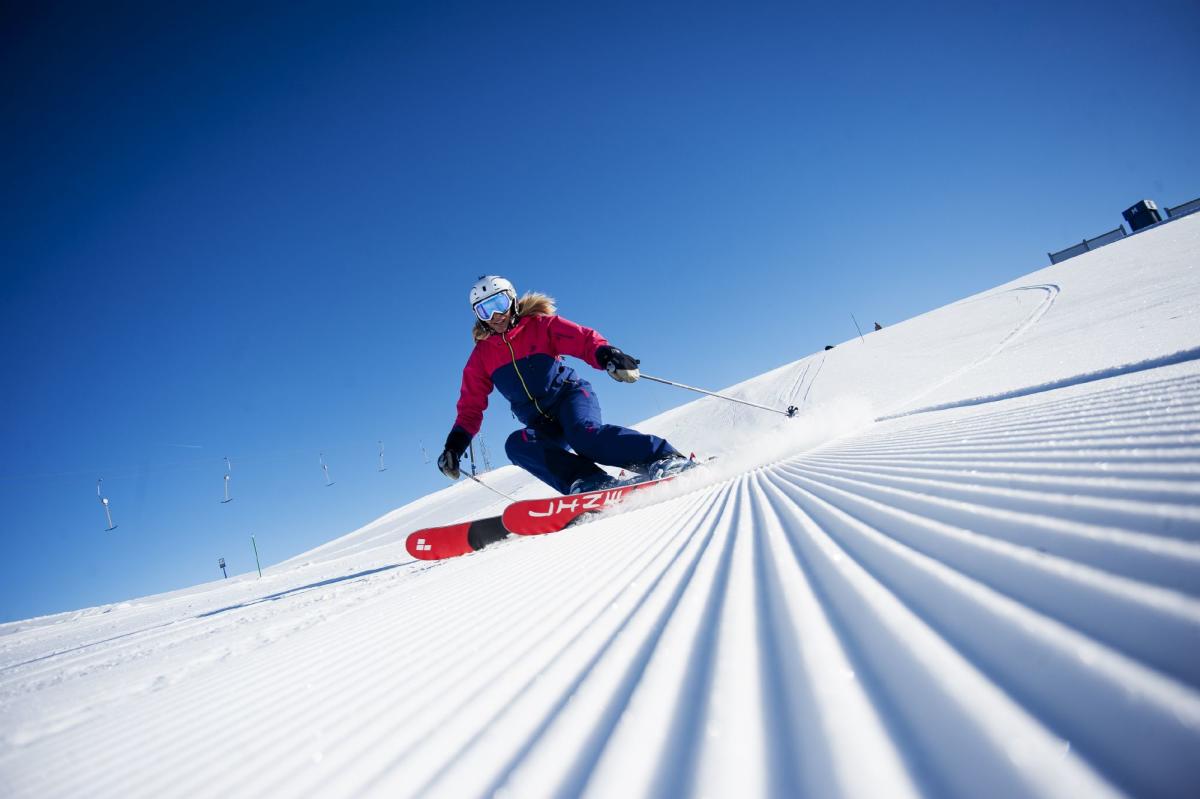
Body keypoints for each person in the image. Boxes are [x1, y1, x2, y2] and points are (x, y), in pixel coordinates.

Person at [437, 276, 690, 495]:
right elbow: (470, 408)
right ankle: (590, 481)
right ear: (478, 316)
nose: (495, 316)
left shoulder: (540, 326)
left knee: (584, 436)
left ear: (512, 301)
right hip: (540, 422)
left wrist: (608, 354)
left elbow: (583, 340)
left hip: (570, 397)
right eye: (485, 310)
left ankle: (662, 457)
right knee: (517, 444)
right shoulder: (481, 357)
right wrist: (454, 447)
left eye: (499, 304)